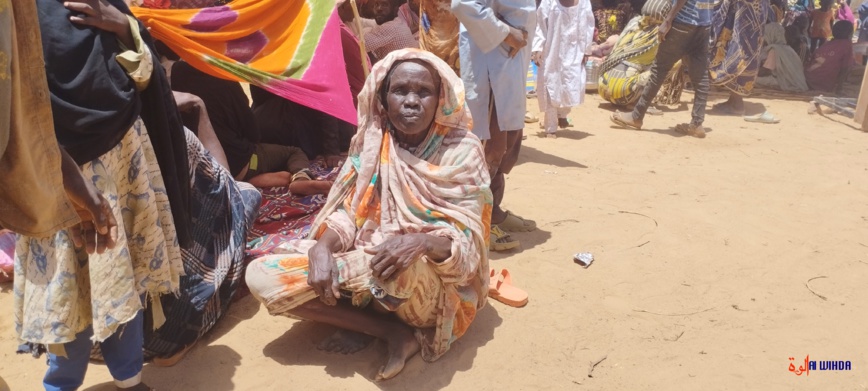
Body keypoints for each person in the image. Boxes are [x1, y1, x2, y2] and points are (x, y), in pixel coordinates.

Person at [245, 50, 491, 381]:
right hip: (368, 261)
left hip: (429, 283)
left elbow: (467, 254)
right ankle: (388, 331)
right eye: (400, 90)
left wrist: (420, 243)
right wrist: (323, 247)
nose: (411, 101)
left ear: (440, 98)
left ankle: (376, 313)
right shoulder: (373, 141)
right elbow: (352, 211)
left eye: (423, 92)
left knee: (397, 266)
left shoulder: (463, 151)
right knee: (260, 276)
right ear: (383, 97)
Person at [16, 0, 193, 390]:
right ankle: (60, 384)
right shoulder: (15, 16)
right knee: (67, 285)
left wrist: (125, 30)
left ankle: (129, 380)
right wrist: (69, 181)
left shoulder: (102, 5)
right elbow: (19, 112)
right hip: (50, 176)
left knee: (122, 270)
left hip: (123, 158)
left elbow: (146, 78)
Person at [140, 92, 262, 365]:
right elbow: (228, 186)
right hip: (163, 335)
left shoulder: (86, 145)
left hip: (96, 334)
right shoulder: (179, 139)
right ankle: (180, 332)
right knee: (245, 195)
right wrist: (201, 109)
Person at [157, 44, 331, 194]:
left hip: (200, 169)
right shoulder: (224, 77)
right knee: (293, 152)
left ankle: (251, 179)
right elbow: (252, 131)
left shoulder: (175, 77)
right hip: (238, 163)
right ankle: (299, 177)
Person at [452, 0, 538, 251]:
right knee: (487, 147)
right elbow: (463, 5)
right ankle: (477, 223)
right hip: (490, 61)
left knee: (505, 147)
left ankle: (495, 211)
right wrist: (504, 32)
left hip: (512, 61)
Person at [610, 0, 714, 138]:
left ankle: (636, 116)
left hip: (683, 22)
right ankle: (697, 123)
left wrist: (668, 20)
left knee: (659, 70)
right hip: (704, 24)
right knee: (701, 77)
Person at [532, 0, 596, 138]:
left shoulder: (584, 3)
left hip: (574, 52)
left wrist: (586, 49)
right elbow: (540, 25)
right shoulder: (549, 3)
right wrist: (537, 48)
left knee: (570, 85)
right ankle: (550, 128)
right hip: (552, 51)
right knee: (551, 85)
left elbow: (589, 26)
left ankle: (563, 114)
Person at [707, 0, 770, 116]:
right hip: (753, 15)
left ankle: (736, 104)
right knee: (744, 52)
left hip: (746, 15)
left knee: (739, 52)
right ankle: (734, 100)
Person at [341, 0, 419, 61]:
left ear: (395, 9)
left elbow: (357, 46)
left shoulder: (390, 28)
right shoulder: (397, 22)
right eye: (376, 4)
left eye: (384, 5)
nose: (379, 9)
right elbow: (363, 22)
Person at [756, 22, 810, 92]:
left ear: (770, 35)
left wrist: (751, 73)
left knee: (752, 80)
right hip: (794, 81)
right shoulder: (788, 48)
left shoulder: (775, 49)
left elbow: (766, 70)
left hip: (784, 82)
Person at [805, 20, 855, 92]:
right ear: (850, 34)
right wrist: (839, 87)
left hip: (809, 78)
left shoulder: (827, 44)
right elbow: (846, 67)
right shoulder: (847, 44)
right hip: (823, 83)